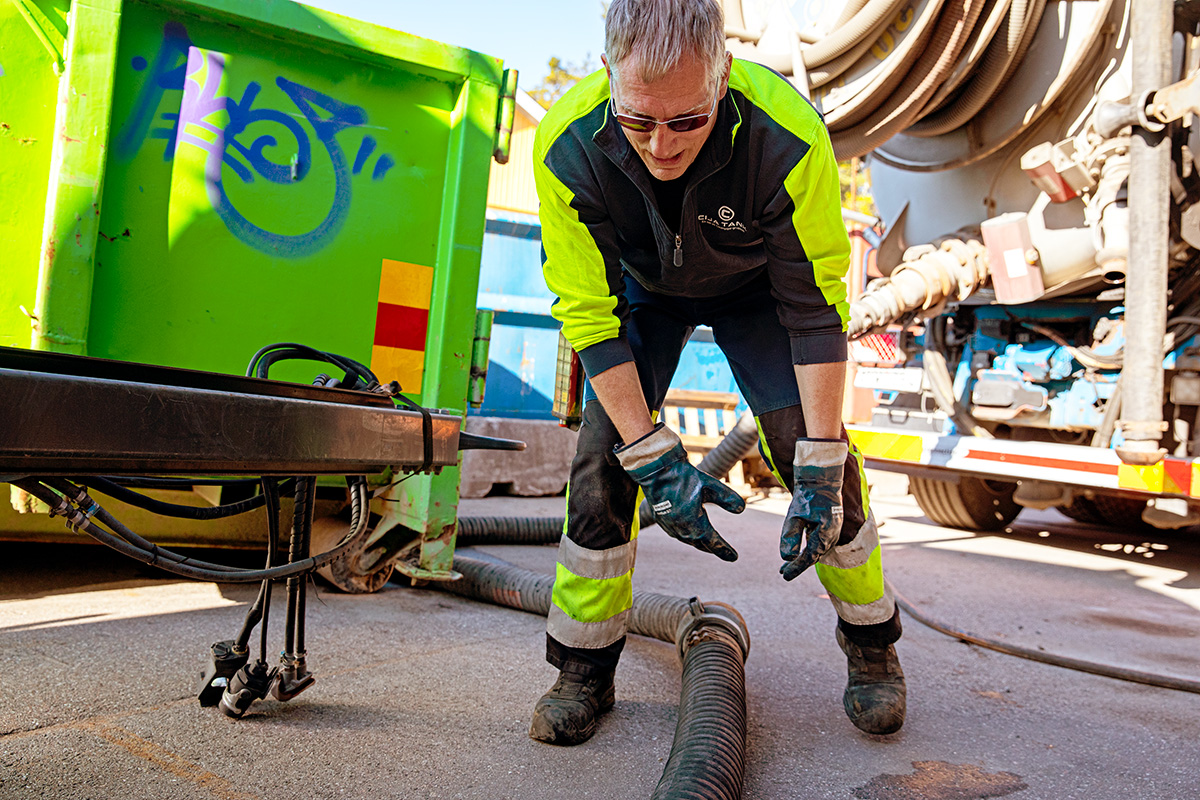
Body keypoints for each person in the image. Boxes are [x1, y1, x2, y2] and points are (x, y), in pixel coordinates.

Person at [529, 0, 905, 746]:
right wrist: (653, 457)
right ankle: (583, 666)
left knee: (812, 452)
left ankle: (872, 645)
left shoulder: (787, 139)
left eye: (688, 121)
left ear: (725, 77)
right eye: (637, 122)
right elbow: (589, 319)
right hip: (642, 295)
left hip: (760, 296)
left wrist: (822, 469)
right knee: (606, 461)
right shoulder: (566, 148)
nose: (661, 147)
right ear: (606, 76)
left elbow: (815, 315)